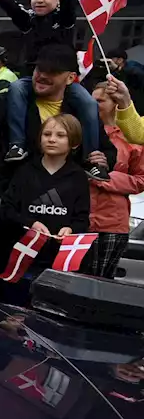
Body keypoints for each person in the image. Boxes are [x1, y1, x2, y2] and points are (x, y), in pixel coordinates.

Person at [0, 46, 116, 182]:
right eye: (39, 69)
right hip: (18, 196)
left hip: (63, 199)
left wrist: (104, 159)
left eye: (52, 72)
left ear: (70, 78)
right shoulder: (15, 101)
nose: (42, 76)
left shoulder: (82, 111)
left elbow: (107, 150)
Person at [0, 0, 101, 173]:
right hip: (32, 79)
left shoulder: (64, 20)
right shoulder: (29, 21)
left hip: (64, 81)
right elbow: (12, 9)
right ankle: (17, 145)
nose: (39, 0)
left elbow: (69, 6)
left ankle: (92, 159)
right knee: (15, 89)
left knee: (89, 103)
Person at [0, 114, 91, 305]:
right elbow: (7, 209)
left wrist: (70, 230)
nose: (52, 139)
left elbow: (82, 219)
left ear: (74, 142)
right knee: (15, 316)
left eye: (60, 135)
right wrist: (30, 223)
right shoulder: (25, 171)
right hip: (21, 260)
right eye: (47, 134)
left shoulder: (78, 177)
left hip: (56, 263)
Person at [86, 82, 144, 279]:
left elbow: (141, 180)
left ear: (115, 102)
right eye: (90, 100)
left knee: (101, 283)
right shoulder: (80, 131)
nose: (92, 105)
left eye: (100, 101)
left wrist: (105, 178)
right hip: (79, 219)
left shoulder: (132, 136)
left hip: (111, 222)